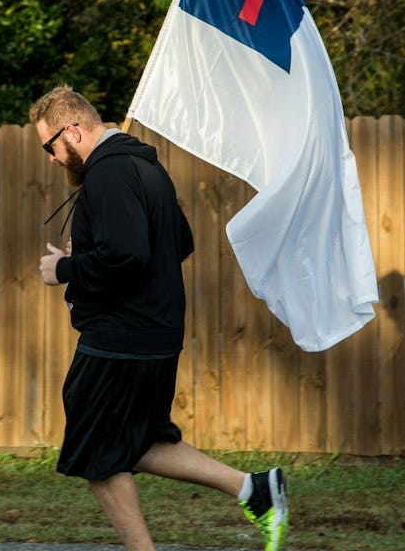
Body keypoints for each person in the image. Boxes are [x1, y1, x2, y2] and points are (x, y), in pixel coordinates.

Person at [30, 84, 288, 551]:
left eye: (50, 145)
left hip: (117, 340)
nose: (50, 156)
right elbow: (178, 242)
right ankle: (255, 490)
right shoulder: (147, 168)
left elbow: (126, 255)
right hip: (157, 337)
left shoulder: (108, 174)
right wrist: (93, 249)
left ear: (72, 130)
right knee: (140, 440)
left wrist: (65, 268)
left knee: (99, 456)